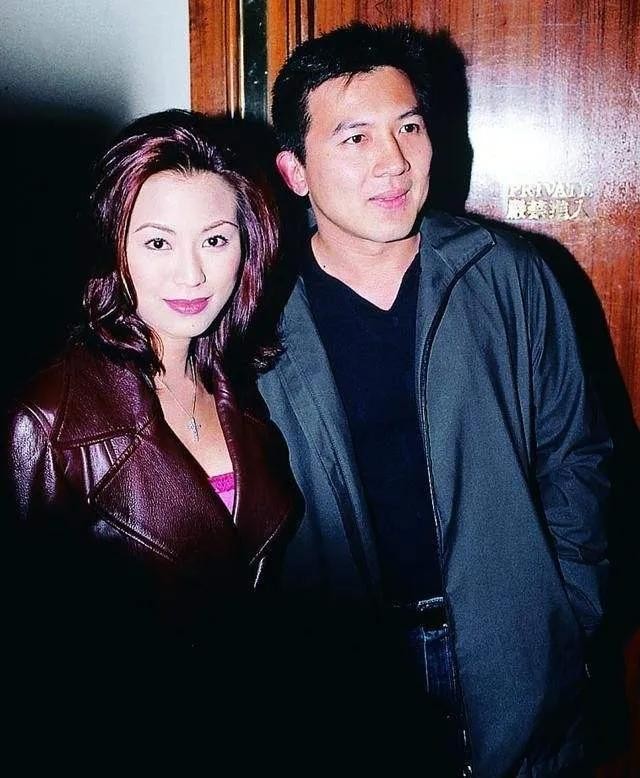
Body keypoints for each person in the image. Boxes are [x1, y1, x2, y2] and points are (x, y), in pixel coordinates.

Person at [257, 22, 612, 777]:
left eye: (409, 127)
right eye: (354, 137)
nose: (393, 160)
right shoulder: (259, 311)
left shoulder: (507, 274)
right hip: (342, 666)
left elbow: (577, 455)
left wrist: (569, 609)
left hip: (513, 650)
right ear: (295, 170)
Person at [6, 110, 299, 722]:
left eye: (214, 240)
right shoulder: (47, 420)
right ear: (114, 248)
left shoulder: (243, 394)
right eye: (158, 242)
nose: (191, 274)